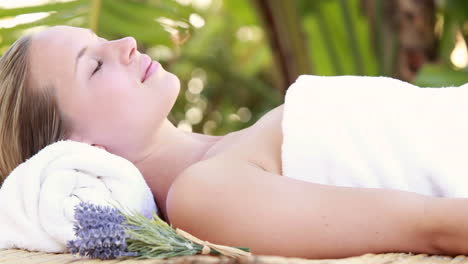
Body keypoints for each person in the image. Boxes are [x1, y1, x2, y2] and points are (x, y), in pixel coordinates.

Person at [0, 25, 467, 259]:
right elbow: (434, 226)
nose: (124, 43)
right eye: (94, 65)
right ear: (81, 151)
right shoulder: (205, 194)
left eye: (102, 38)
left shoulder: (227, 155)